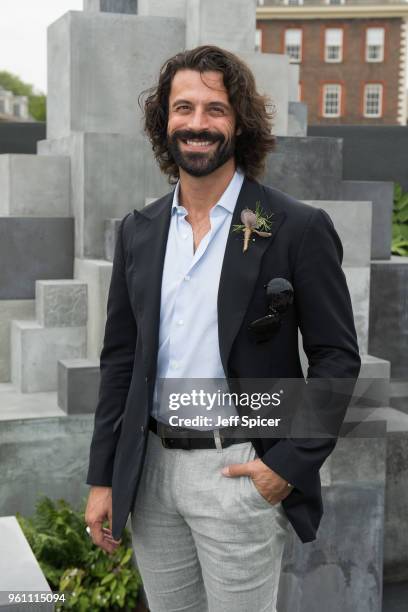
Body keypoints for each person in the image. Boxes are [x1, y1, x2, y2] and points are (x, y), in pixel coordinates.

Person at [85, 45, 361, 611]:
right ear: (165, 123)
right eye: (183, 108)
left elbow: (336, 357)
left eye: (215, 109)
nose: (198, 123)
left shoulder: (296, 228)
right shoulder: (138, 231)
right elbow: (120, 359)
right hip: (151, 472)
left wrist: (282, 467)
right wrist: (104, 477)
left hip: (237, 469)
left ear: (239, 123)